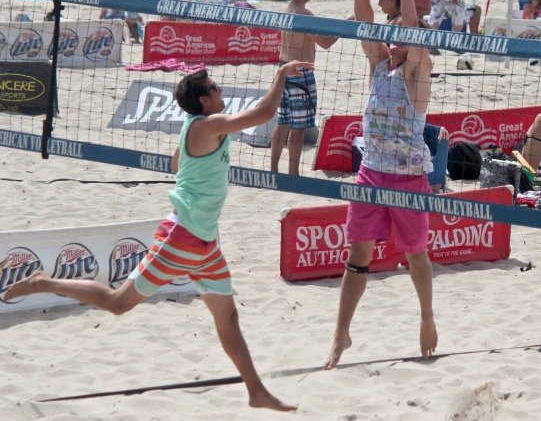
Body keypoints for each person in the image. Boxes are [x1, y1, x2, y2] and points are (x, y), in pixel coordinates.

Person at [3, 62, 313, 412]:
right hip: (182, 237)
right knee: (118, 303)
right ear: (204, 101)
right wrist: (281, 73)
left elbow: (175, 165)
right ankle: (43, 282)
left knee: (227, 318)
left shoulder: (198, 126)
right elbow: (266, 111)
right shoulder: (208, 125)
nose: (221, 91)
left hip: (205, 241)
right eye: (215, 88)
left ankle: (256, 391)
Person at [324, 0, 437, 371]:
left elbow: (409, 26)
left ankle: (426, 317)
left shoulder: (417, 72)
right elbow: (366, 27)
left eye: (400, 33)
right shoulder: (379, 67)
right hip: (371, 170)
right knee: (357, 256)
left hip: (407, 177)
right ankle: (341, 333)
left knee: (417, 256)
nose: (392, 37)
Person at [270, 0, 339, 176]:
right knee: (298, 127)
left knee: (283, 123)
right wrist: (344, 26)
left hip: (284, 69)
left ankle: (273, 170)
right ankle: (293, 174)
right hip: (301, 73)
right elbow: (325, 43)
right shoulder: (304, 14)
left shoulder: (287, 9)